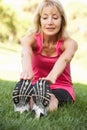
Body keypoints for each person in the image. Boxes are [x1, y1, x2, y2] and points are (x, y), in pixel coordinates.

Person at [20, 0, 78, 114]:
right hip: (37, 86)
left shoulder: (70, 43)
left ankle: (43, 107)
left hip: (62, 87)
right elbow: (26, 51)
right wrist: (27, 70)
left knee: (51, 97)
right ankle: (33, 101)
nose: (50, 22)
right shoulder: (30, 39)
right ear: (39, 20)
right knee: (34, 95)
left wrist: (52, 76)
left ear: (62, 20)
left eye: (55, 18)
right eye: (45, 17)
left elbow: (66, 58)